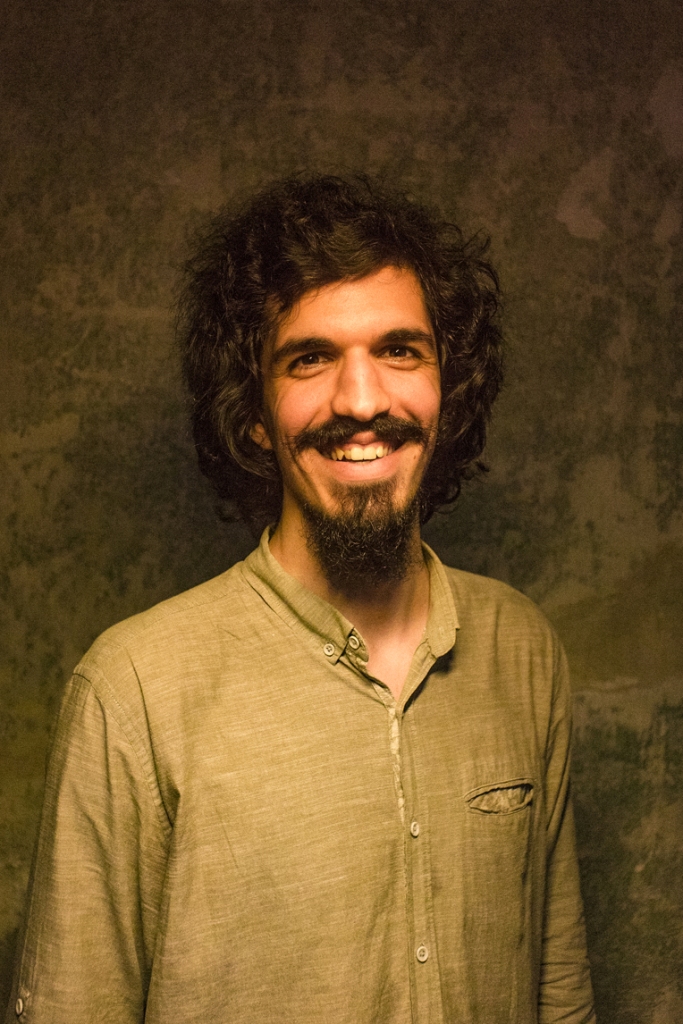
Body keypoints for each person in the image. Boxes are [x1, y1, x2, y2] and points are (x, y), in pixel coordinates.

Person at [7, 175, 595, 1023]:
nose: (361, 402)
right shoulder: (134, 690)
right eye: (310, 359)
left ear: (449, 389)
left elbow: (559, 989)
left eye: (400, 351)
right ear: (253, 411)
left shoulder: (521, 650)